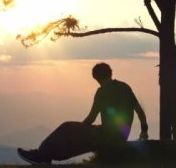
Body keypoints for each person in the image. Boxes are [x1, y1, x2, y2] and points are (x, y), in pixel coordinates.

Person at [17, 62, 148, 165]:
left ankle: (41, 155)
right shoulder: (125, 87)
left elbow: (91, 118)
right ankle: (45, 156)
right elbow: (139, 110)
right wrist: (144, 130)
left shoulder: (102, 92)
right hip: (120, 136)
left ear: (96, 78)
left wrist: (79, 129)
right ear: (110, 73)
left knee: (67, 127)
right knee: (79, 138)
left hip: (108, 135)